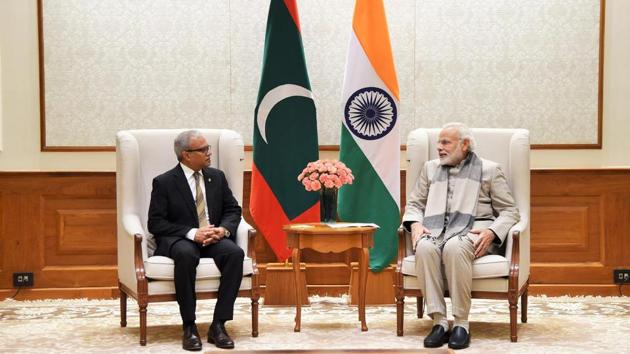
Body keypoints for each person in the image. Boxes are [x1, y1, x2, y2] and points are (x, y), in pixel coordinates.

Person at [402, 122, 520, 350]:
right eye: (438, 142)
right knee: (425, 247)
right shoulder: (430, 168)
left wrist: (492, 232)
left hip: (475, 231)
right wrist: (415, 224)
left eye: (445, 142)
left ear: (464, 145)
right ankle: (439, 322)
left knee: (454, 247)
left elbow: (510, 211)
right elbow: (415, 204)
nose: (439, 147)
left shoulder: (489, 170)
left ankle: (461, 324)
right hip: (436, 229)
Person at [148, 130, 243, 351]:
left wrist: (223, 230)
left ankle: (218, 325)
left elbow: (233, 210)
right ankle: (189, 326)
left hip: (213, 237)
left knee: (234, 254)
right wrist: (192, 233)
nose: (209, 153)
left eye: (208, 148)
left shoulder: (216, 177)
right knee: (185, 254)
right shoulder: (164, 182)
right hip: (181, 238)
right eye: (203, 149)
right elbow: (156, 223)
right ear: (186, 155)